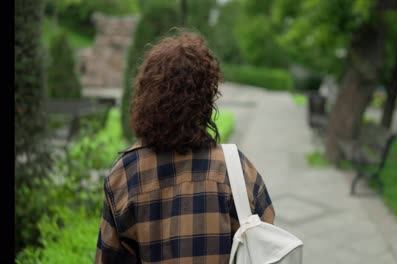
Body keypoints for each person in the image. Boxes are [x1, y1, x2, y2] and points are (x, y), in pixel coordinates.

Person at [94, 31, 275, 263]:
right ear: (206, 97)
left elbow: (108, 258)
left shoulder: (125, 174)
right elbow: (267, 234)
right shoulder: (234, 168)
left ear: (146, 94)